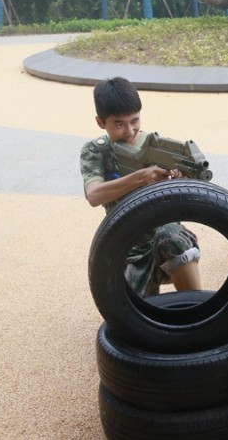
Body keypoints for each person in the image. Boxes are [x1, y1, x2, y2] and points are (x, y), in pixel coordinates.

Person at [79, 77, 202, 297]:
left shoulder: (156, 147)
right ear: (100, 122)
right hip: (128, 251)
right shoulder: (96, 151)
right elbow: (94, 195)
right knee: (135, 323)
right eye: (119, 124)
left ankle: (199, 310)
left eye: (135, 120)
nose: (130, 130)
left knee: (172, 234)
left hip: (165, 240)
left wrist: (179, 179)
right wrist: (141, 177)